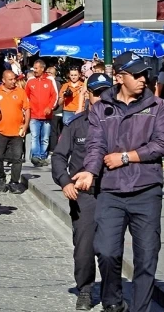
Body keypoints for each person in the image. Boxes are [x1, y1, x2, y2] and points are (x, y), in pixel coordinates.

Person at [74, 52, 164, 312]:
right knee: (106, 251)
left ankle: (141, 309)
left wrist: (127, 157)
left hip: (146, 189)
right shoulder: (101, 108)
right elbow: (96, 146)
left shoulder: (157, 106)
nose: (144, 79)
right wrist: (90, 172)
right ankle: (113, 301)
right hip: (111, 190)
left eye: (145, 74)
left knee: (146, 257)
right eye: (137, 74)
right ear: (119, 78)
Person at [51, 72, 113, 311]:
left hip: (111, 192)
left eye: (106, 93)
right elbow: (58, 157)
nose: (101, 98)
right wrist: (65, 182)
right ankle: (85, 290)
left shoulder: (119, 123)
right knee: (85, 246)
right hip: (84, 196)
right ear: (88, 94)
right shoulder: (76, 124)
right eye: (96, 93)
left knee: (110, 248)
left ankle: (111, 292)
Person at [0, 70, 30, 195]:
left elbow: (27, 109)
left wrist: (25, 126)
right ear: (3, 80)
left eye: (14, 79)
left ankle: (14, 182)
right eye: (10, 79)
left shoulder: (20, 92)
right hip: (0, 130)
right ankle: (1, 178)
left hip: (16, 131)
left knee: (17, 158)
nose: (14, 81)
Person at [25, 59, 57, 166]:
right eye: (34, 68)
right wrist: (28, 110)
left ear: (42, 68)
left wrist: (50, 107)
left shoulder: (50, 80)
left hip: (46, 115)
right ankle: (36, 157)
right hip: (34, 115)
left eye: (36, 68)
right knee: (35, 136)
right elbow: (26, 97)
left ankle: (42, 157)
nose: (34, 70)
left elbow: (55, 95)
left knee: (45, 138)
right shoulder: (30, 81)